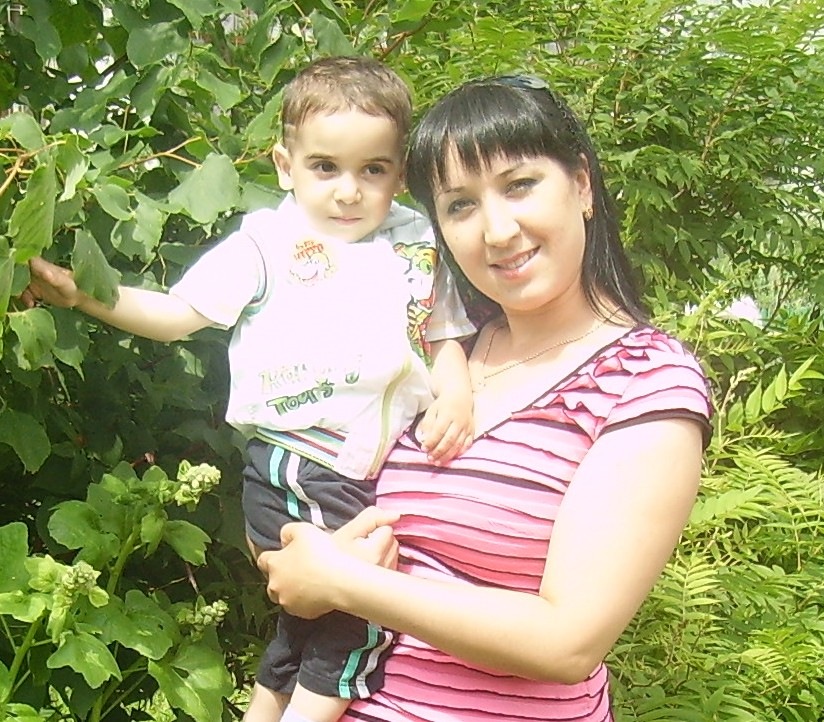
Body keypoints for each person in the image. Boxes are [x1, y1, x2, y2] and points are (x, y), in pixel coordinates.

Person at [22, 57, 476, 722]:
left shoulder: (416, 243)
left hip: (358, 465)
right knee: (361, 617)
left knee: (307, 620)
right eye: (326, 167)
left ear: (399, 173)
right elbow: (177, 314)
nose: (349, 191)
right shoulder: (269, 243)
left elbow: (442, 333)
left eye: (372, 170)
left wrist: (456, 394)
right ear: (285, 166)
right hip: (305, 456)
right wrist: (86, 295)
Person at [255, 74, 713, 722]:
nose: (497, 230)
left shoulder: (644, 382)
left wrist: (343, 581)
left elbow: (567, 641)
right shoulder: (433, 357)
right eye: (460, 205)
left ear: (582, 185)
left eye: (519, 185)